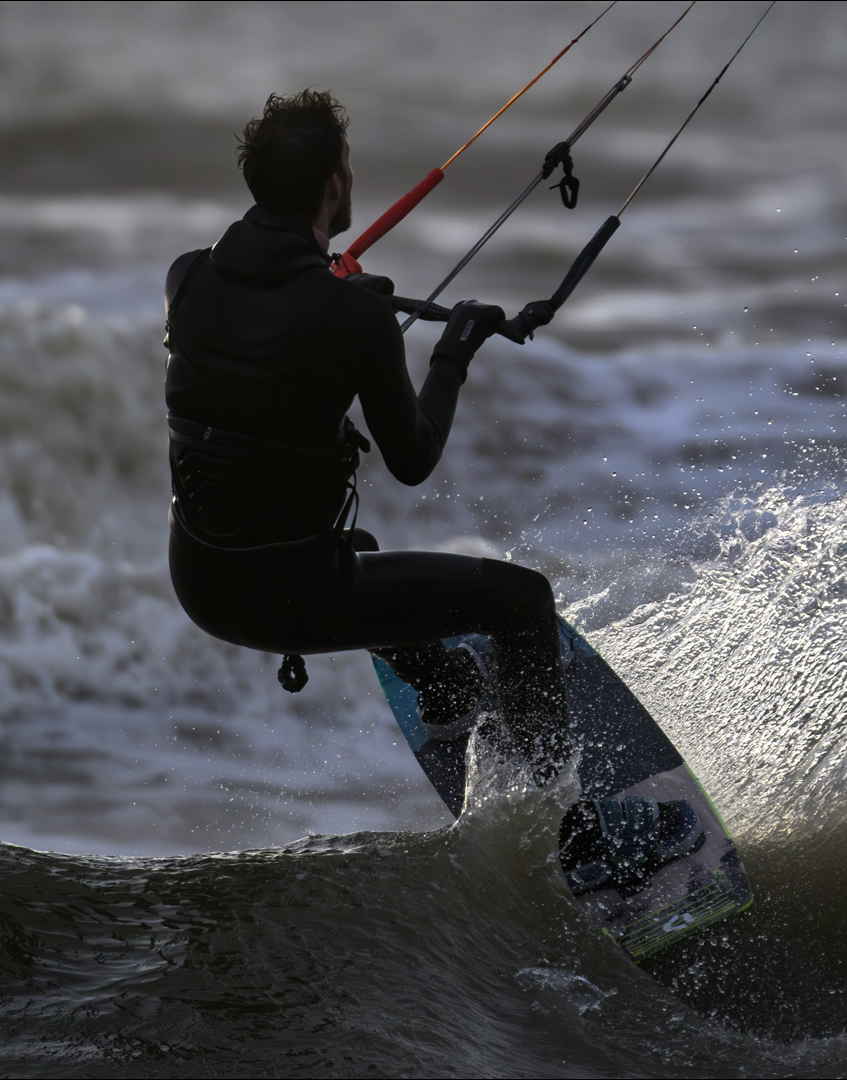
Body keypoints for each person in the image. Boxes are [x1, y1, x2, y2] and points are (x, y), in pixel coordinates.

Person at [162, 89, 566, 770]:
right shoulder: (352, 317)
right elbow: (413, 458)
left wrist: (333, 289)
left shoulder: (187, 276)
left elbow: (268, 338)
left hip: (200, 581)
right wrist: (453, 351)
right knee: (524, 603)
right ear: (333, 185)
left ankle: (446, 692)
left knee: (363, 547)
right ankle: (572, 823)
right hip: (290, 599)